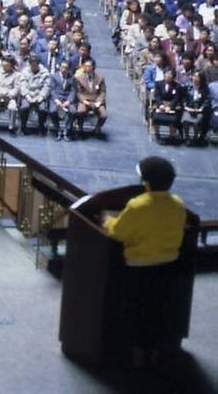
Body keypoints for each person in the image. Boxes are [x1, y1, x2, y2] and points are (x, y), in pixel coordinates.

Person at [103, 157, 188, 367]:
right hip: (169, 266)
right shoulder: (177, 204)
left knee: (138, 312)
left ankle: (138, 358)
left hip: (140, 269)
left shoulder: (137, 205)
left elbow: (119, 232)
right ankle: (157, 354)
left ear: (146, 182)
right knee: (159, 310)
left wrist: (107, 220)